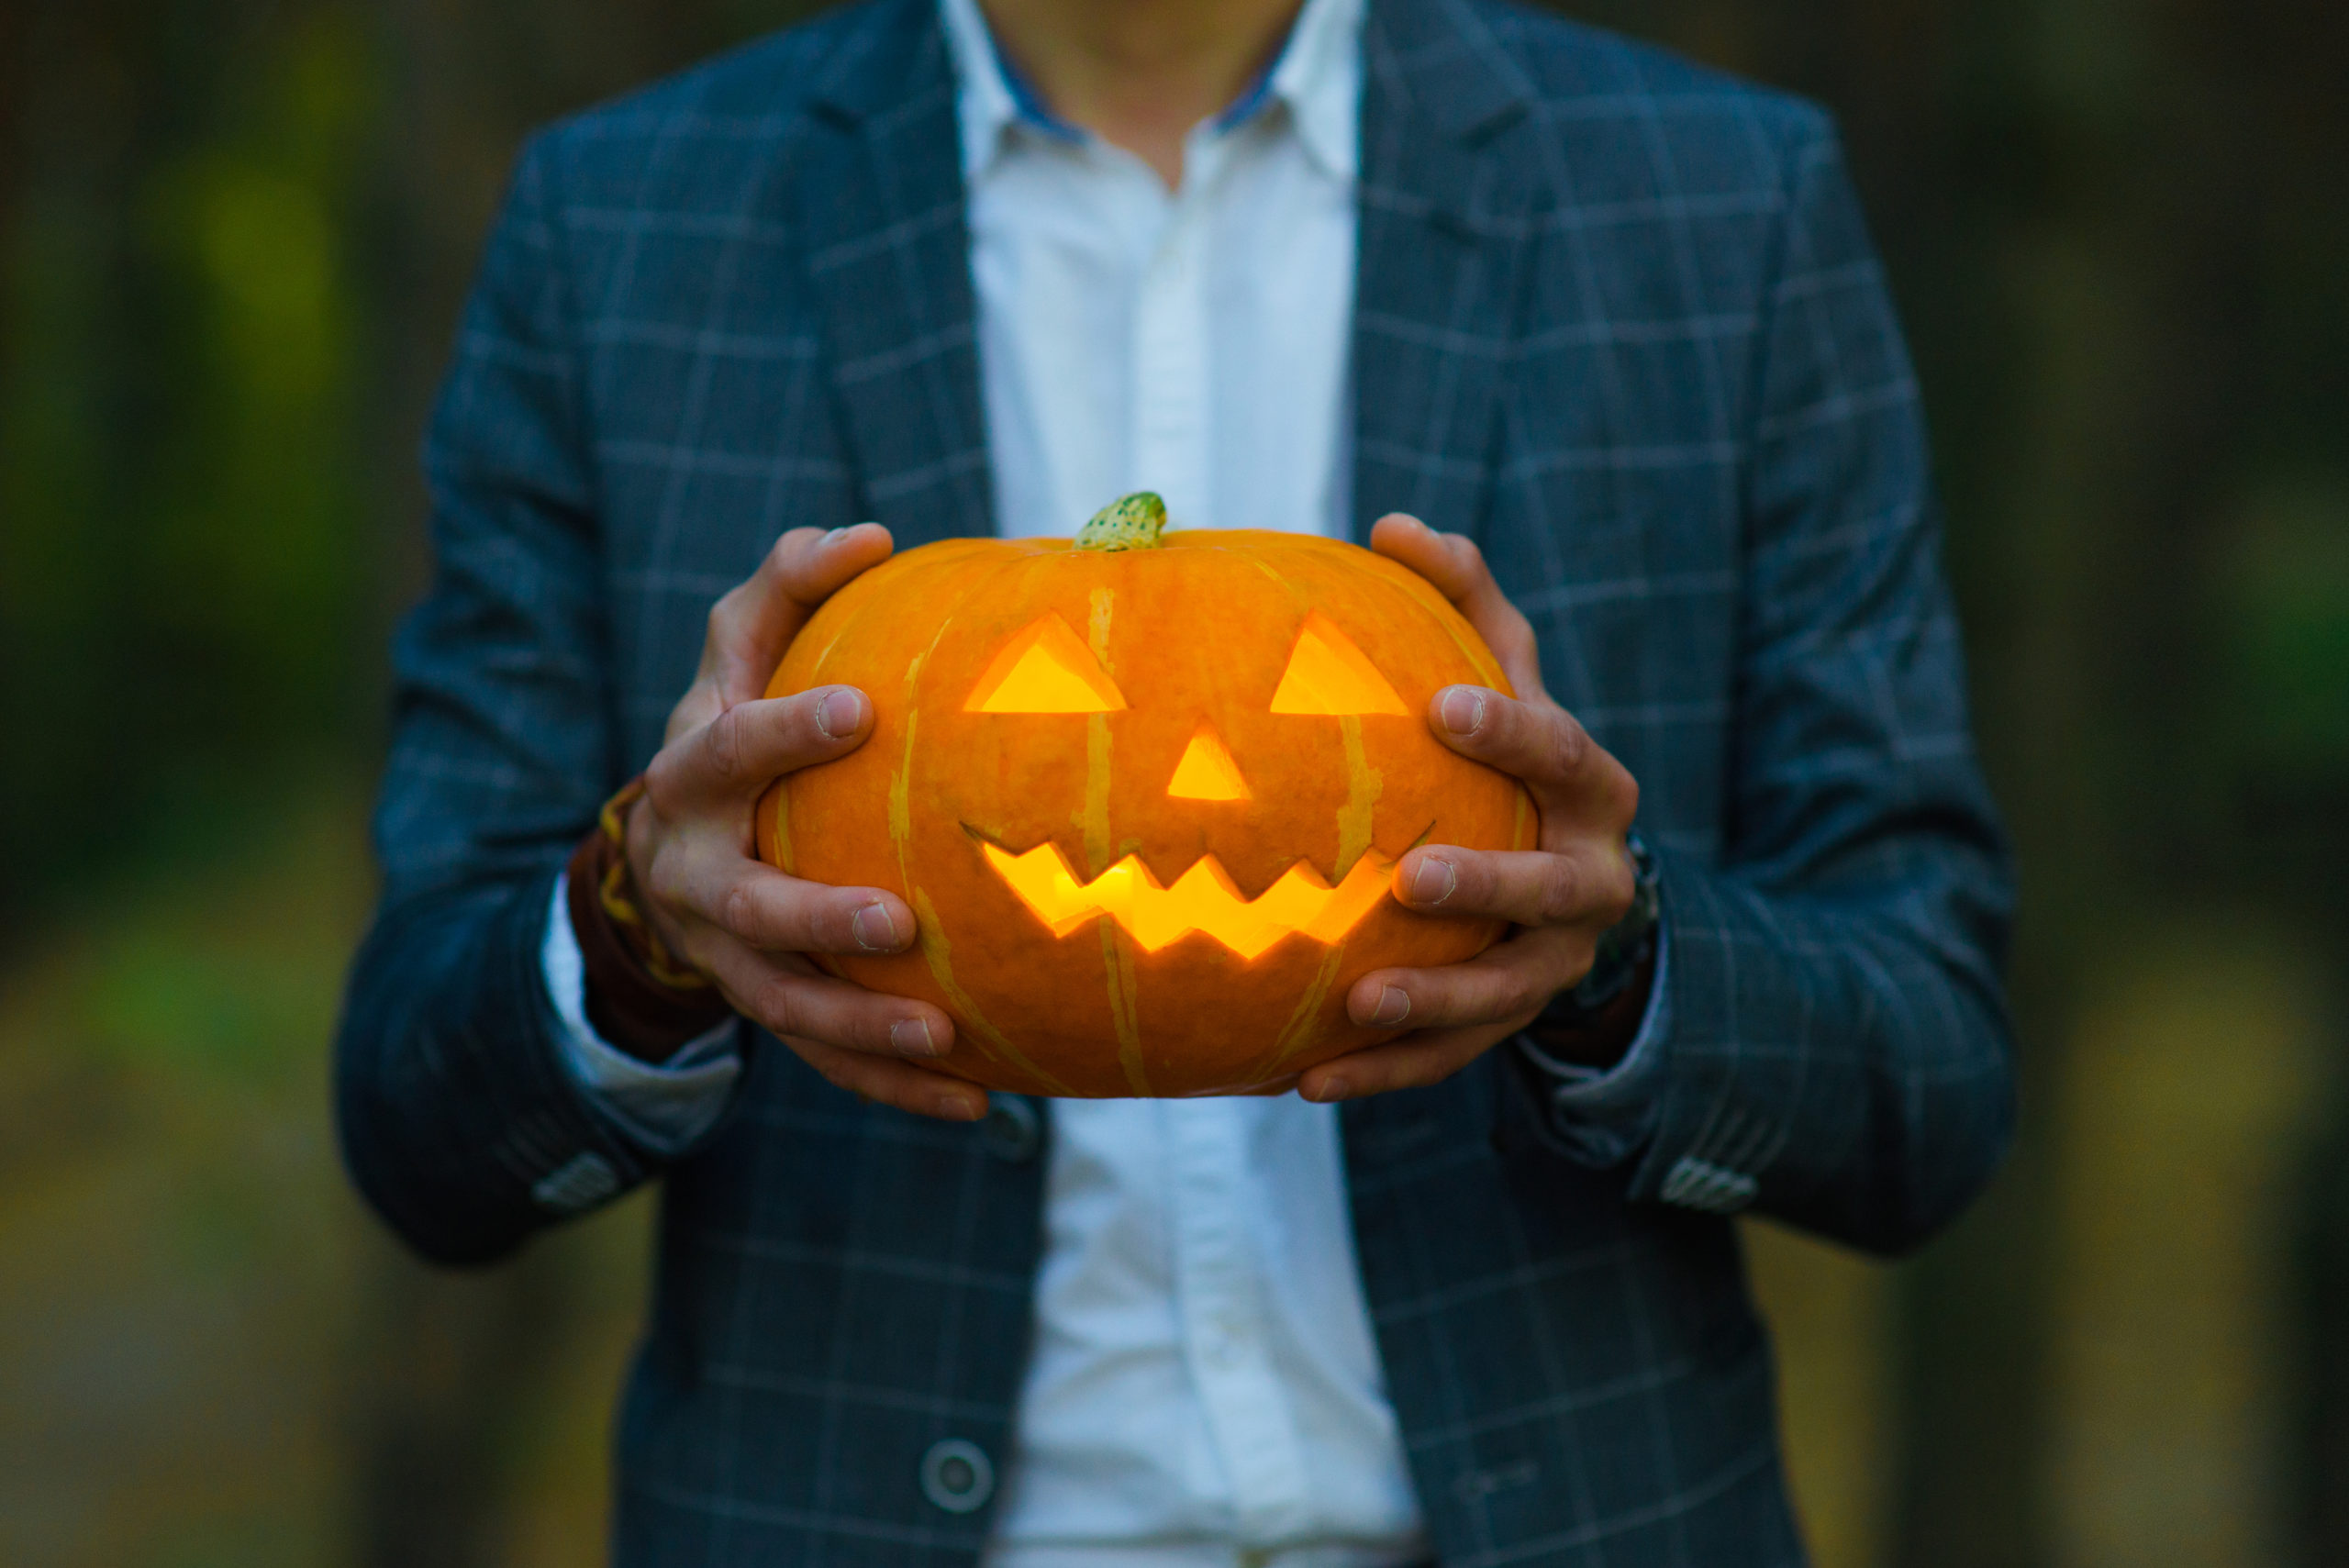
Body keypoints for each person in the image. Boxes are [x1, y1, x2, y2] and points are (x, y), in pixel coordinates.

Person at [335, 0, 2016, 1561]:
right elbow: (417, 1127)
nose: (1206, 788)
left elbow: (1930, 1086)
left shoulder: (1714, 203)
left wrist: (1618, 958)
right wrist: (635, 926)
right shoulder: (623, 224)